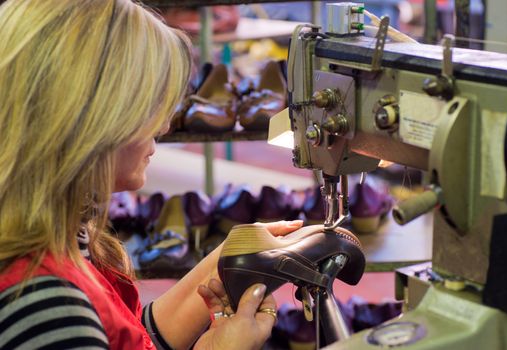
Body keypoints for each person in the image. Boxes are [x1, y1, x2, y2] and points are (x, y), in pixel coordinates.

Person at [0, 1, 303, 349]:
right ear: (94, 117)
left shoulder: (56, 236)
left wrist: (229, 259)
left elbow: (125, 336)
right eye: (150, 104)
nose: (165, 125)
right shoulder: (44, 308)